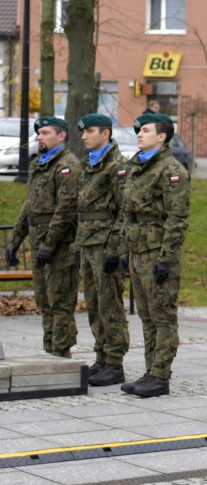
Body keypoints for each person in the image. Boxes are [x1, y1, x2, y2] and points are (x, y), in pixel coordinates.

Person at [117, 113, 190, 398]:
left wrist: (167, 257)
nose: (139, 134)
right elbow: (127, 213)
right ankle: (150, 372)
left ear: (162, 136)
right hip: (137, 250)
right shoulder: (136, 166)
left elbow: (177, 219)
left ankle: (160, 375)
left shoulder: (172, 171)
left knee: (162, 318)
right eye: (139, 130)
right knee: (147, 317)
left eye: (146, 130)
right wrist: (124, 248)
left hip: (158, 252)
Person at [5, 117, 81, 358]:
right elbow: (28, 206)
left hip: (60, 247)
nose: (39, 136)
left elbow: (66, 209)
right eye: (39, 133)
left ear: (62, 136)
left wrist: (49, 245)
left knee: (60, 302)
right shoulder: (40, 164)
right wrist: (15, 241)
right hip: (39, 244)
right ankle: (50, 350)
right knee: (44, 302)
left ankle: (61, 353)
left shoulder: (67, 165)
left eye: (46, 132)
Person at [77, 113, 131, 386]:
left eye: (90, 132)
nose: (84, 136)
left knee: (110, 304)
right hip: (88, 243)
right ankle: (101, 356)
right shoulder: (89, 163)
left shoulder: (117, 165)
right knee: (94, 304)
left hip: (105, 244)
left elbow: (124, 209)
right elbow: (84, 209)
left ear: (105, 133)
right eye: (83, 132)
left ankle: (115, 362)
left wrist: (115, 248)